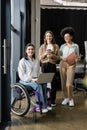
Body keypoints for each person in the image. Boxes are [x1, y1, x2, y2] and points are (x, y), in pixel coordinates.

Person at [18, 43, 51, 113]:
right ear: (26, 51)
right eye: (29, 49)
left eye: (32, 49)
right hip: (25, 80)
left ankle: (45, 104)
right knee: (38, 85)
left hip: (35, 78)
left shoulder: (36, 60)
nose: (31, 51)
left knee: (44, 84)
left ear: (34, 51)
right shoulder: (22, 61)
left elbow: (39, 71)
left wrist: (40, 78)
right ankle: (40, 106)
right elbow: (21, 75)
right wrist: (32, 79)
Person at [38, 30, 60, 107]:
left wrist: (52, 56)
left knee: (53, 84)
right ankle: (44, 99)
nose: (49, 37)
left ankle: (52, 100)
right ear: (45, 37)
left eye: (50, 36)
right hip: (44, 66)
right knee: (44, 83)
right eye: (47, 36)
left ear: (52, 37)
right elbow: (40, 58)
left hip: (52, 66)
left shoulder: (56, 46)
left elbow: (58, 58)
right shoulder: (42, 46)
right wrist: (45, 54)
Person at [59, 27, 80, 107]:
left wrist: (77, 59)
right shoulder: (62, 46)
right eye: (65, 37)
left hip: (71, 65)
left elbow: (77, 56)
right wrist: (62, 58)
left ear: (71, 37)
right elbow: (59, 55)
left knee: (69, 84)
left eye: (68, 37)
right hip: (63, 64)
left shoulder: (75, 46)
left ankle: (71, 98)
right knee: (63, 83)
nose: (66, 38)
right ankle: (66, 97)